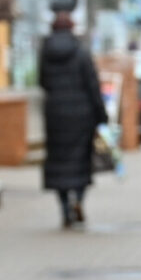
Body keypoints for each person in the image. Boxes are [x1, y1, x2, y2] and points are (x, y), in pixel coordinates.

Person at [38, 13, 109, 229]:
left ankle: (64, 209)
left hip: (55, 116)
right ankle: (77, 200)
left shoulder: (45, 53)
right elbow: (93, 86)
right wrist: (101, 116)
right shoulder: (81, 53)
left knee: (58, 163)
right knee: (80, 163)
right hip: (82, 116)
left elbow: (42, 82)